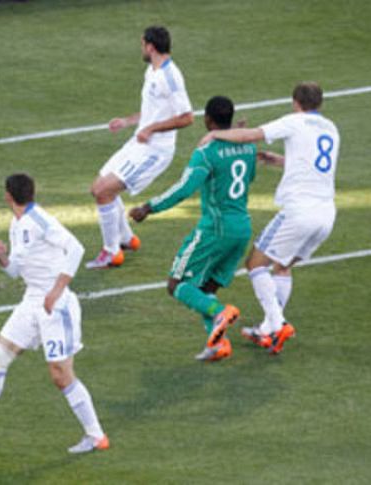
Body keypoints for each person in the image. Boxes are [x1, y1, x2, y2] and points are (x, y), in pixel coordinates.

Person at [0, 173, 109, 454]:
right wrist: (2, 259)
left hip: (57, 305)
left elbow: (76, 248)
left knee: (61, 375)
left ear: (8, 195)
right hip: (32, 301)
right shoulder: (16, 224)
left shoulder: (40, 220)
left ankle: (96, 436)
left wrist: (56, 290)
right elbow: (16, 271)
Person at [198, 82, 340, 354]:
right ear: (319, 104)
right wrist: (280, 161)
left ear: (295, 102)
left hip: (299, 212)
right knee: (282, 265)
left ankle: (278, 323)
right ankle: (267, 329)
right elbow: (318, 164)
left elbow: (253, 134)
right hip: (326, 214)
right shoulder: (332, 129)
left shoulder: (295, 121)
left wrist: (217, 136)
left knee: (255, 263)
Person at [130, 96, 255, 361]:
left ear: (208, 120)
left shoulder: (207, 153)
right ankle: (217, 345)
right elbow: (249, 177)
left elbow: (185, 188)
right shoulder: (248, 147)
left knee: (177, 284)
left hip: (215, 230)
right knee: (206, 287)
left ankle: (220, 312)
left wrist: (148, 207)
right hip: (242, 227)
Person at [86, 25, 194, 269]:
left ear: (151, 46)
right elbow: (151, 111)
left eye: (142, 44)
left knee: (104, 191)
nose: (141, 48)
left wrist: (151, 129)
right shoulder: (152, 70)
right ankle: (126, 239)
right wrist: (128, 121)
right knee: (98, 188)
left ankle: (111, 252)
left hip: (155, 151)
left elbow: (187, 117)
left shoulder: (170, 77)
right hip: (139, 142)